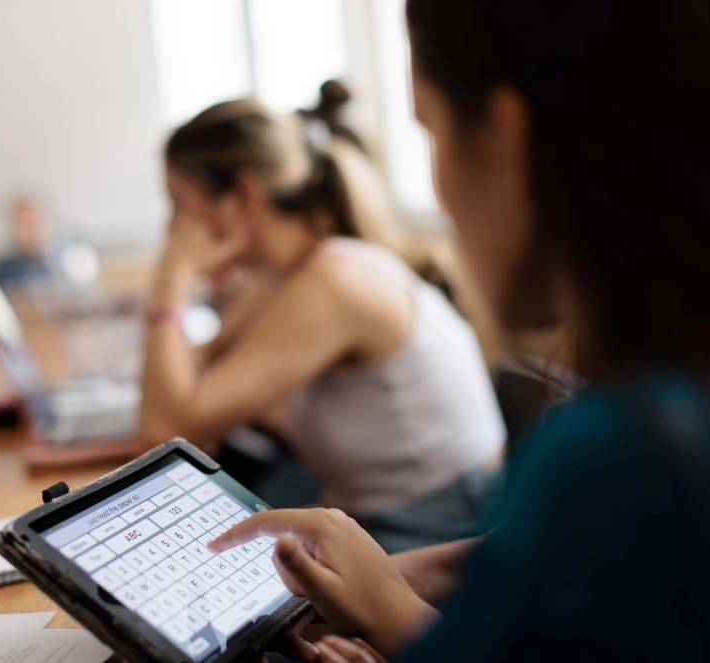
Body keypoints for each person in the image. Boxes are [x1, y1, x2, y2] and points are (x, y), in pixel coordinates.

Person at [209, 0, 710, 660]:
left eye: (431, 131)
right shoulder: (685, 410)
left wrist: (396, 617)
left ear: (504, 137)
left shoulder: (627, 454)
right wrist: (394, 585)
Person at [138, 87, 506, 552]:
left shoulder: (330, 284)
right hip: (368, 503)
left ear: (244, 194)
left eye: (179, 205)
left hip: (437, 524)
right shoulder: (280, 277)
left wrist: (173, 275)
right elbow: (190, 381)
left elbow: (163, 431)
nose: (173, 230)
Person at [0, 195, 56, 288]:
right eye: (24, 226)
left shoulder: (54, 266)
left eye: (33, 224)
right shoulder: (4, 273)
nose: (30, 232)